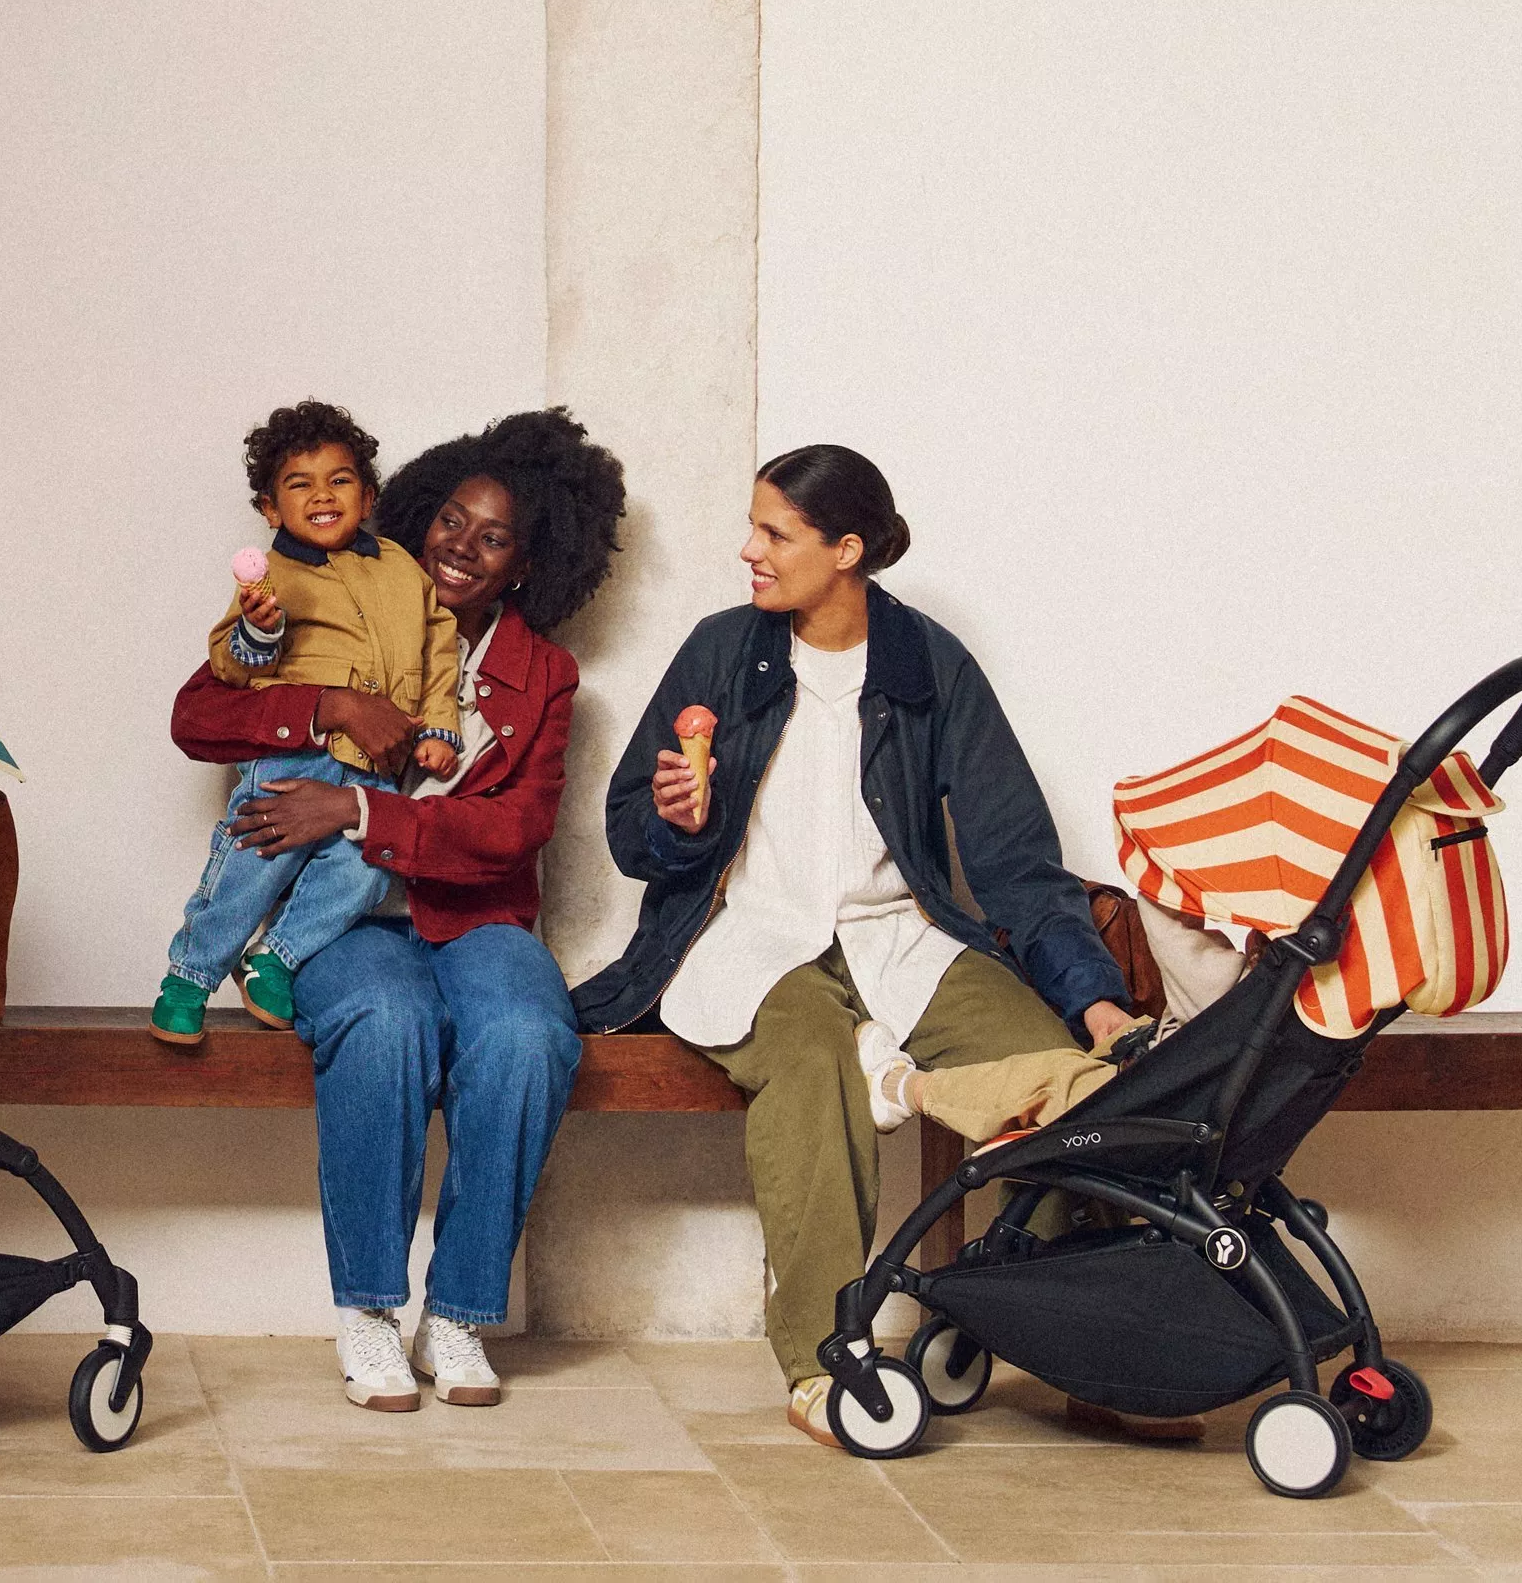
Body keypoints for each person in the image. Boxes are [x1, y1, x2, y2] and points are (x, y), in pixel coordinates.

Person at [570, 444, 1136, 1449]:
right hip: (745, 941)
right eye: (753, 526)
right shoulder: (719, 651)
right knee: (812, 1063)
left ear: (846, 550)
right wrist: (676, 820)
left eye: (772, 533)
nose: (748, 550)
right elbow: (628, 835)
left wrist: (1094, 1000)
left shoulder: (929, 667)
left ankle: (1073, 1339)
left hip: (904, 939)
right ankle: (828, 1357)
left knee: (1057, 1077)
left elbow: (1014, 862)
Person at [170, 406, 625, 1415]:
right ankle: (370, 1314)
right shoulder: (328, 600)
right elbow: (195, 719)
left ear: (524, 564)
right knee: (384, 1023)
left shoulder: (544, 675)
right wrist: (330, 705)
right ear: (418, 519)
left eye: (493, 537)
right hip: (341, 921)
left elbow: (514, 831)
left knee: (526, 1033)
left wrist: (359, 810)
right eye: (451, 522)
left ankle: (458, 1314)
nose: (462, 548)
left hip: (478, 916)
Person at [152, 400, 464, 1046]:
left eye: (340, 480)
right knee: (252, 866)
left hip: (374, 772)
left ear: (368, 494)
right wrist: (256, 631)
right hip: (297, 762)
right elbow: (233, 668)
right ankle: (188, 976)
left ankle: (276, 959)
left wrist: (438, 725)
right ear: (271, 508)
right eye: (299, 484)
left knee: (365, 872)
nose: (322, 495)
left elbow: (439, 642)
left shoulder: (403, 567)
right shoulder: (272, 582)